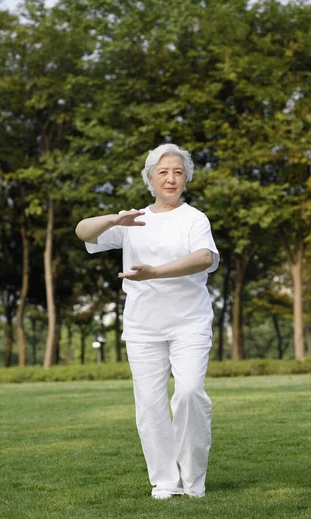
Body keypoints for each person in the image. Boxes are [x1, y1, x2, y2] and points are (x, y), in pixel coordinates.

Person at [75, 143, 219, 500]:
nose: (171, 178)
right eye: (163, 172)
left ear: (186, 178)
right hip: (143, 327)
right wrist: (113, 220)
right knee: (151, 405)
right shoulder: (133, 220)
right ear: (150, 179)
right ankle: (165, 481)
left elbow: (203, 257)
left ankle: (193, 480)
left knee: (188, 394)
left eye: (178, 172)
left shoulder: (194, 218)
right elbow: (82, 231)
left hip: (190, 322)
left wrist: (155, 272)